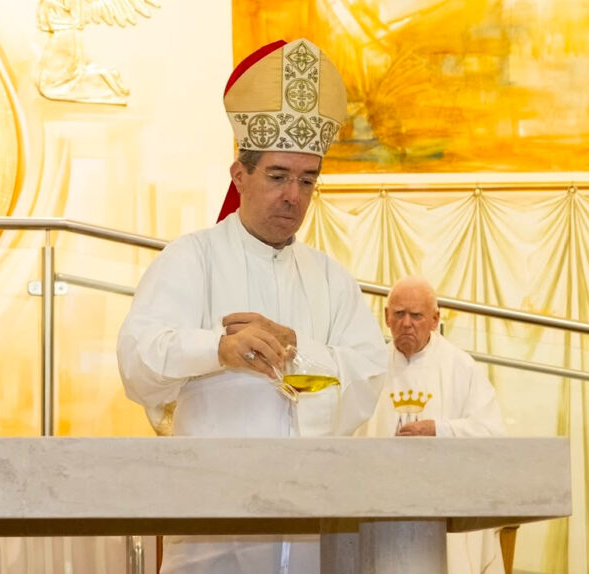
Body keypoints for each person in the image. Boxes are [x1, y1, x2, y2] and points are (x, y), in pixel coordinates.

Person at [117, 38, 388, 573]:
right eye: (279, 176)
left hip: (315, 526)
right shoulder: (191, 258)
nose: (294, 196)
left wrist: (295, 349)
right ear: (240, 177)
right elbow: (137, 362)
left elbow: (369, 373)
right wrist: (218, 349)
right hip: (217, 529)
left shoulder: (331, 279)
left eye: (307, 181)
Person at [361, 276, 506, 574]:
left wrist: (439, 430)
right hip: (383, 502)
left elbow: (492, 433)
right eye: (399, 314)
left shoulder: (460, 367)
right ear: (386, 317)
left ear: (435, 319)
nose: (406, 323)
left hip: (444, 505)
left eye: (416, 315)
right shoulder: (370, 367)